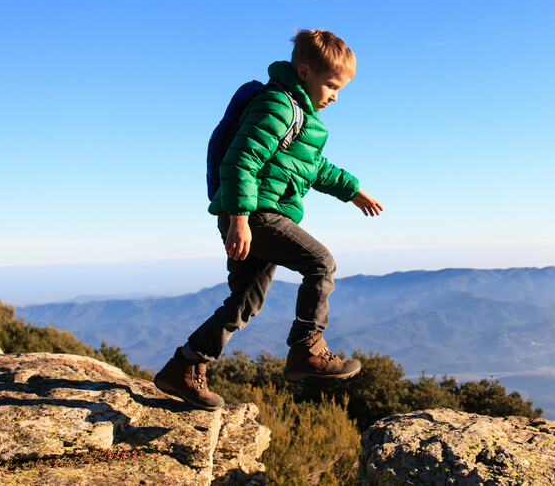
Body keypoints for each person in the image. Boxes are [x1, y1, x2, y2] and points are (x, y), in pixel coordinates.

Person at [154, 29, 383, 410]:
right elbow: (240, 160)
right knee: (320, 262)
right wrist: (240, 219)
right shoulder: (277, 106)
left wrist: (351, 189)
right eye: (330, 86)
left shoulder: (300, 118)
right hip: (255, 213)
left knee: (244, 302)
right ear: (306, 72)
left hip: (250, 213)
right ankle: (308, 348)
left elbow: (314, 167)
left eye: (340, 89)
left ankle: (185, 365)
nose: (335, 97)